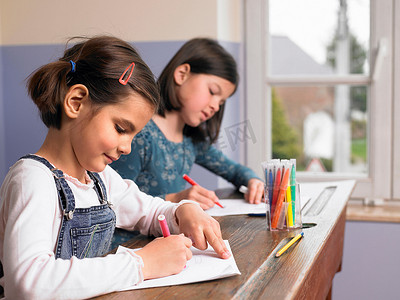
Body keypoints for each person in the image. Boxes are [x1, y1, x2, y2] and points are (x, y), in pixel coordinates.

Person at [0, 35, 231, 300]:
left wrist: (183, 211)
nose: (127, 148)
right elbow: (27, 284)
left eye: (133, 136)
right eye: (121, 129)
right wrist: (142, 264)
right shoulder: (33, 179)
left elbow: (150, 212)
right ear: (76, 102)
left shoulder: (100, 179)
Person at [111, 38, 264, 210]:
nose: (215, 106)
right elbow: (113, 200)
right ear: (182, 74)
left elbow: (234, 170)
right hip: (134, 238)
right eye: (212, 92)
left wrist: (253, 181)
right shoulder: (138, 134)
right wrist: (175, 199)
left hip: (170, 236)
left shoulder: (192, 141)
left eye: (221, 102)